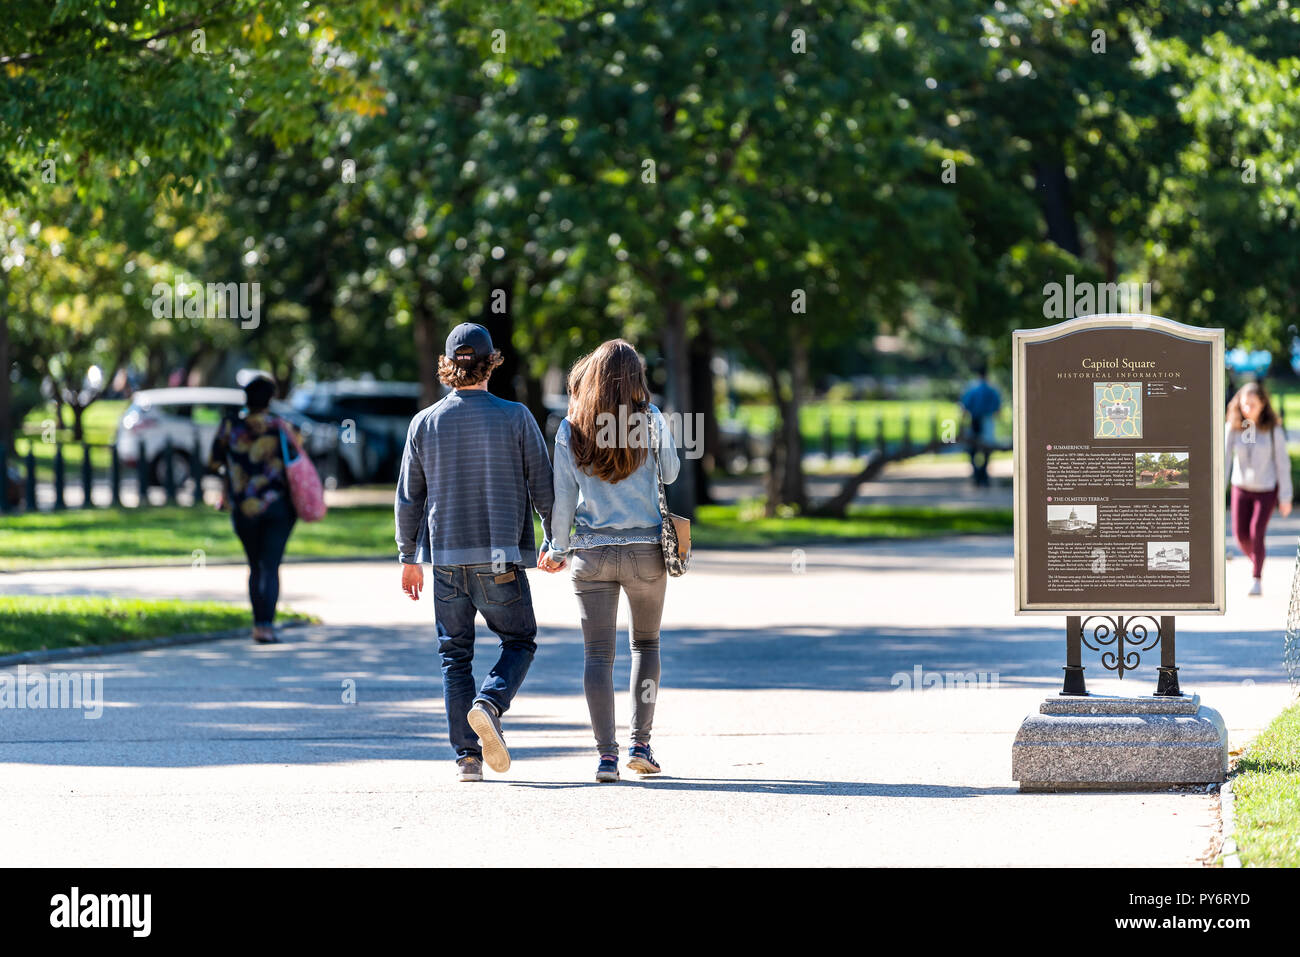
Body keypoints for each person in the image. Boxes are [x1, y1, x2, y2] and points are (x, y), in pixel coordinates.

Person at [395, 323, 555, 783]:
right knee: (519, 640)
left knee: (454, 655)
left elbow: (409, 498)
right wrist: (553, 540)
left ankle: (468, 758)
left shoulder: (424, 422)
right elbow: (542, 484)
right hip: (501, 558)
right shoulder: (516, 416)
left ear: (448, 365)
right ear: (490, 363)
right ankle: (489, 703)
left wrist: (409, 557)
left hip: (445, 558)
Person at [539, 340, 679, 783]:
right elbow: (671, 472)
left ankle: (606, 757)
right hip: (646, 553)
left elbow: (564, 500)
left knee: (598, 657)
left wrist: (557, 549)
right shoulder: (650, 421)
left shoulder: (572, 428)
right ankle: (641, 744)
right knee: (647, 646)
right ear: (636, 378)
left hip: (592, 555)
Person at [206, 374, 299, 644]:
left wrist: (233, 470)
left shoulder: (230, 426)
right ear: (270, 399)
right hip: (279, 507)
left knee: (254, 565)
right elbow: (299, 457)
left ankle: (258, 625)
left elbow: (213, 463)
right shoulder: (282, 427)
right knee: (270, 565)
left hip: (243, 507)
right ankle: (266, 626)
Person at [1226, 381, 1292, 596]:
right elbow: (1224, 460)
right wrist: (1218, 493)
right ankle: (1257, 559)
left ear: (1263, 404)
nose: (1248, 409)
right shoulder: (1234, 427)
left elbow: (1283, 463)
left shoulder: (1273, 430)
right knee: (1240, 535)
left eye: (1253, 404)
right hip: (1241, 488)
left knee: (1256, 532)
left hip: (1266, 489)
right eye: (1245, 404)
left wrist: (1285, 497)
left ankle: (1256, 577)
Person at [960, 365, 1002, 487]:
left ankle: (977, 474)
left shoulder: (972, 389)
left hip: (974, 420)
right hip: (987, 420)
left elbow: (964, 406)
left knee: (972, 449)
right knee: (987, 449)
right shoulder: (992, 389)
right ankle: (983, 474)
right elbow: (998, 409)